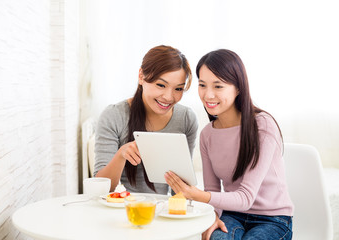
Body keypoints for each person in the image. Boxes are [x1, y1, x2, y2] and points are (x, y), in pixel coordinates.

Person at [164, 49, 294, 240]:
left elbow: (245, 197)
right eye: (202, 85)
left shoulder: (262, 125)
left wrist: (197, 195)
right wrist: (214, 216)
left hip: (273, 219)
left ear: (238, 88)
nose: (208, 95)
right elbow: (213, 191)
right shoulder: (207, 135)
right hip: (232, 214)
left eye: (218, 86)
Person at [94, 45, 198, 195]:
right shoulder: (114, 115)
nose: (169, 97)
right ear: (141, 76)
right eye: (161, 85)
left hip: (161, 210)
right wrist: (121, 154)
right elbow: (101, 188)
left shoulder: (186, 119)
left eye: (178, 89)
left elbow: (180, 189)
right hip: (121, 207)